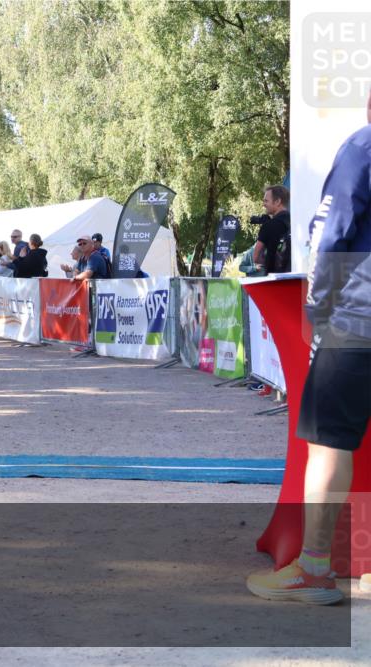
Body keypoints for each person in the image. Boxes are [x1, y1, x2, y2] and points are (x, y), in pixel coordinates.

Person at [245, 96, 371, 605]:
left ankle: (315, 569)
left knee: (327, 442)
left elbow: (333, 231)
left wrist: (317, 308)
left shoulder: (363, 146)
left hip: (358, 317)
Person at [252, 185, 291, 275]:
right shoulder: (295, 222)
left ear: (277, 201)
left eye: (266, 201)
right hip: (294, 280)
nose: (263, 204)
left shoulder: (268, 225)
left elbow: (255, 257)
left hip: (274, 280)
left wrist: (268, 259)